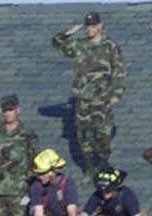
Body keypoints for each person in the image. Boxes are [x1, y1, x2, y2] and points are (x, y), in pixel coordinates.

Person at [51, 11, 126, 175]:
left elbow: (119, 71)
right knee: (84, 136)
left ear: (100, 26)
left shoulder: (110, 47)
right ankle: (89, 167)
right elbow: (57, 43)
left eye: (93, 26)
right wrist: (68, 32)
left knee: (103, 135)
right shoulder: (80, 45)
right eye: (87, 26)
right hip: (83, 99)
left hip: (102, 99)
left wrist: (117, 94)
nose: (89, 29)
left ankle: (103, 163)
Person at [78, 166, 147, 216]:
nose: (104, 194)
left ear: (115, 189)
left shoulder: (126, 195)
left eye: (108, 191)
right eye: (102, 192)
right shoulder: (97, 195)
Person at [29, 149, 79, 216]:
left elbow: (72, 212)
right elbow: (38, 213)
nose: (39, 177)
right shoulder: (36, 185)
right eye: (38, 174)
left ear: (53, 171)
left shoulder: (67, 183)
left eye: (42, 173)